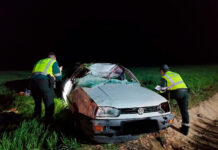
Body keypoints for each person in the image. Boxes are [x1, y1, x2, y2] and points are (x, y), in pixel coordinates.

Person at [31, 52, 62, 124]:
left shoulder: (39, 61)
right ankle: (48, 123)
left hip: (33, 83)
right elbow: (59, 77)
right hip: (44, 83)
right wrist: (60, 71)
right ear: (54, 58)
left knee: (37, 103)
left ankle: (36, 120)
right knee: (49, 103)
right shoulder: (53, 61)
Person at [159, 64, 189, 135]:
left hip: (177, 92)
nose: (161, 73)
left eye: (160, 72)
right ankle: (185, 130)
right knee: (184, 110)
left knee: (162, 97)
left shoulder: (164, 76)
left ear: (162, 71)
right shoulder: (176, 74)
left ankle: (164, 116)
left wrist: (159, 91)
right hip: (185, 92)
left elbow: (162, 90)